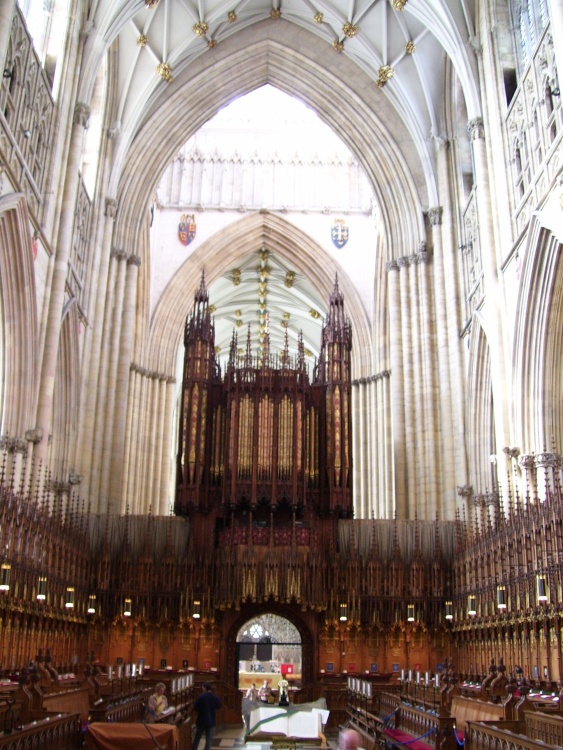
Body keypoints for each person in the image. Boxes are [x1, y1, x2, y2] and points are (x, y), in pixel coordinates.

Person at [193, 682, 222, 750]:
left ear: (205, 688)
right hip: (211, 721)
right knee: (209, 739)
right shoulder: (214, 697)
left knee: (197, 738)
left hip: (201, 721)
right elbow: (219, 705)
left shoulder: (201, 696)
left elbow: (195, 707)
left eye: (202, 687)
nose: (202, 689)